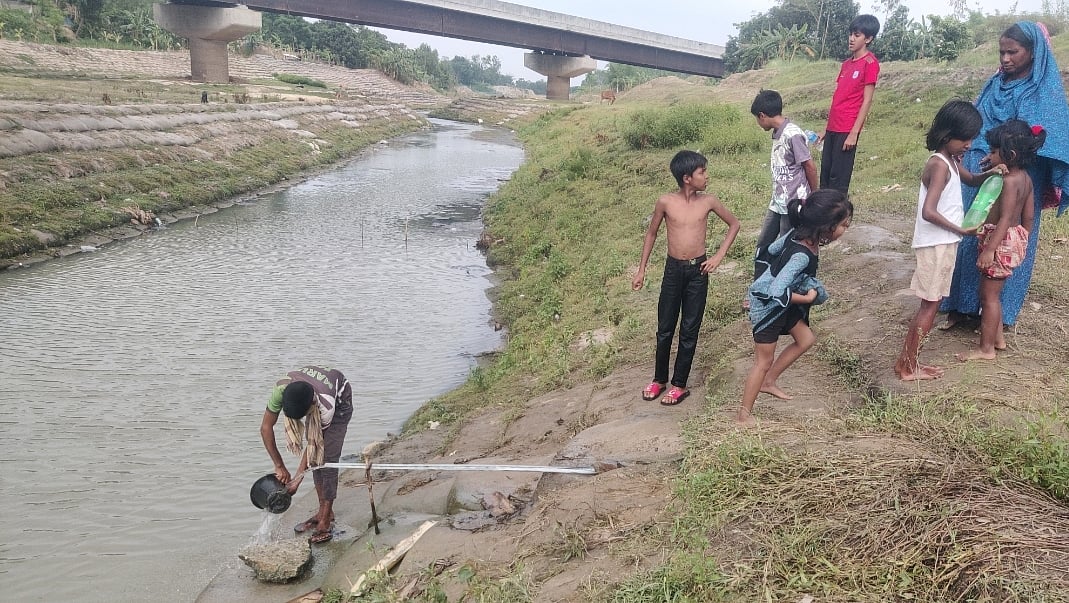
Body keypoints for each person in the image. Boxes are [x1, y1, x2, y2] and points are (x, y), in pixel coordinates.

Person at [941, 21, 1069, 329]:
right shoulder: (994, 83)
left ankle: (998, 314)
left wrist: (1007, 158)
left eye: (1013, 52)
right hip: (979, 167)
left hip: (1019, 174)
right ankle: (963, 306)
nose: (1005, 59)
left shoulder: (1043, 90)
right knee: (973, 235)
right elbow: (976, 119)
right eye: (1002, 52)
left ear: (1033, 51)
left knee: (1008, 238)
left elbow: (1050, 138)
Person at [894, 100, 1006, 381]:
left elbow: (970, 180)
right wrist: (961, 228)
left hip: (945, 241)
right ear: (947, 135)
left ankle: (909, 362)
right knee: (930, 305)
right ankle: (907, 366)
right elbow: (928, 211)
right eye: (965, 139)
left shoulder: (952, 161)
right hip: (937, 242)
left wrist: (989, 174)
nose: (969, 144)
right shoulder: (940, 165)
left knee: (932, 303)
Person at [633, 150, 741, 406]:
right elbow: (651, 234)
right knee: (665, 328)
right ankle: (659, 379)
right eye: (702, 172)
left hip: (698, 272)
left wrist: (717, 257)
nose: (707, 176)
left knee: (689, 329)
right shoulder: (665, 202)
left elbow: (734, 225)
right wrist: (641, 269)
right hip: (673, 271)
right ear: (687, 178)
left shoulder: (709, 201)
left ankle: (679, 384)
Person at [737, 189, 853, 425]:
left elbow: (771, 250)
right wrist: (808, 297)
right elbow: (776, 291)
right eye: (844, 224)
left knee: (806, 339)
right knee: (762, 361)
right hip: (768, 308)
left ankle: (769, 382)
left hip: (781, 304)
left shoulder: (796, 234)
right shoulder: (802, 255)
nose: (845, 229)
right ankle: (743, 415)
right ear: (827, 226)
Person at [957, 121, 1045, 361]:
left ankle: (986, 349)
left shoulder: (1008, 182)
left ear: (1011, 154)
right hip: (1013, 240)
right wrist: (1022, 239)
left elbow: (1006, 217)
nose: (990, 155)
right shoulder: (1025, 178)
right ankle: (998, 339)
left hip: (999, 242)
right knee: (992, 292)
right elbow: (1028, 216)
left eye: (994, 151)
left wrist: (991, 249)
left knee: (988, 296)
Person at [260, 365, 353, 544]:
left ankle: (326, 520)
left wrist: (298, 477)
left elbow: (315, 444)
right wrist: (279, 465)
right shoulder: (281, 388)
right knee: (317, 462)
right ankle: (323, 511)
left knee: (326, 460)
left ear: (311, 406)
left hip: (340, 400)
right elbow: (265, 428)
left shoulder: (326, 406)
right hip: (313, 393)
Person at [750, 89, 819, 260]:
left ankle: (783, 279)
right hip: (778, 201)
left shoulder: (792, 134)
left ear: (762, 115)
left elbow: (809, 166)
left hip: (793, 202)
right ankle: (762, 273)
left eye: (757, 119)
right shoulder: (777, 133)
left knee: (785, 244)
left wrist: (814, 195)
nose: (758, 124)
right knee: (764, 243)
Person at [818, 14, 880, 194]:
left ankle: (838, 220)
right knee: (826, 175)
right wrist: (826, 128)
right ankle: (824, 219)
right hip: (833, 128)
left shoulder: (870, 63)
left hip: (847, 129)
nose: (851, 39)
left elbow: (867, 100)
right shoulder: (846, 65)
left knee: (838, 180)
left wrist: (854, 134)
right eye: (851, 34)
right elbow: (838, 97)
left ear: (868, 38)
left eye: (857, 35)